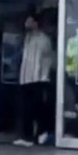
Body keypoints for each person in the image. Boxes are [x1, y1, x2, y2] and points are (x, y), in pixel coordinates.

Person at [13, 12, 54, 147]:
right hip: (25, 78)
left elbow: (47, 59)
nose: (26, 24)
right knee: (25, 108)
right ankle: (26, 136)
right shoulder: (26, 38)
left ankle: (41, 133)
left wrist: (44, 77)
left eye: (29, 21)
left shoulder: (44, 39)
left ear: (36, 23)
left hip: (38, 78)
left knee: (38, 108)